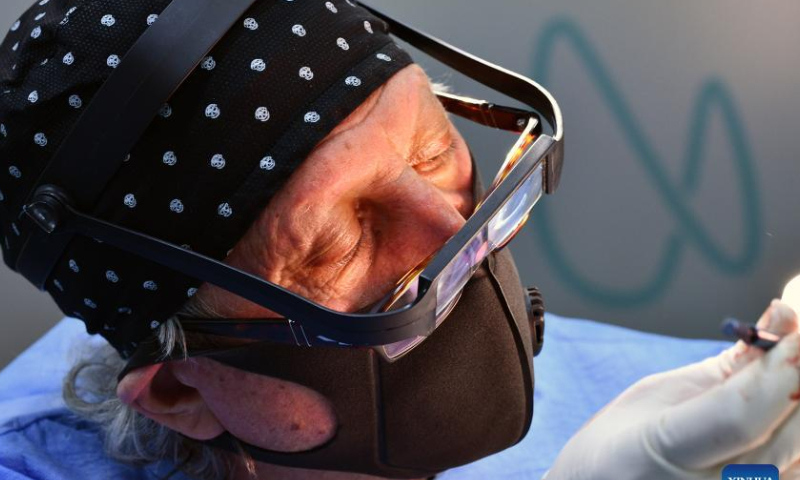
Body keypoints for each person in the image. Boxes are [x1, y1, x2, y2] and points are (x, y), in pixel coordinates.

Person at [0, 1, 799, 479]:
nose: (459, 236)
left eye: (432, 150)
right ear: (182, 394)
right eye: (336, 238)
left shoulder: (667, 404)